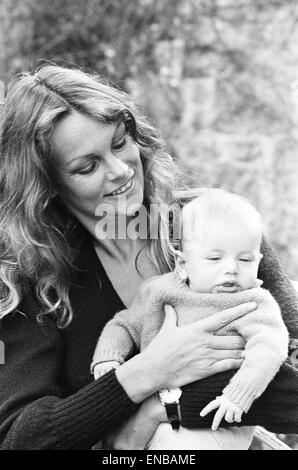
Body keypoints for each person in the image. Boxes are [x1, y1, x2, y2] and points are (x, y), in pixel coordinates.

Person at [0, 64, 297, 450]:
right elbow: (22, 437)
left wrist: (161, 408)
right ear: (47, 185)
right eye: (87, 166)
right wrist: (147, 372)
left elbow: (292, 365)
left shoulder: (208, 227)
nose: (121, 170)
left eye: (121, 142)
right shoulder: (29, 276)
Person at [91, 189, 289, 450]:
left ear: (258, 261)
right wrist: (108, 356)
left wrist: (239, 394)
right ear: (183, 264)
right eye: (215, 258)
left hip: (217, 420)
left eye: (245, 259)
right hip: (150, 418)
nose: (231, 268)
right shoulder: (159, 292)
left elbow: (270, 348)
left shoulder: (254, 303)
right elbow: (124, 324)